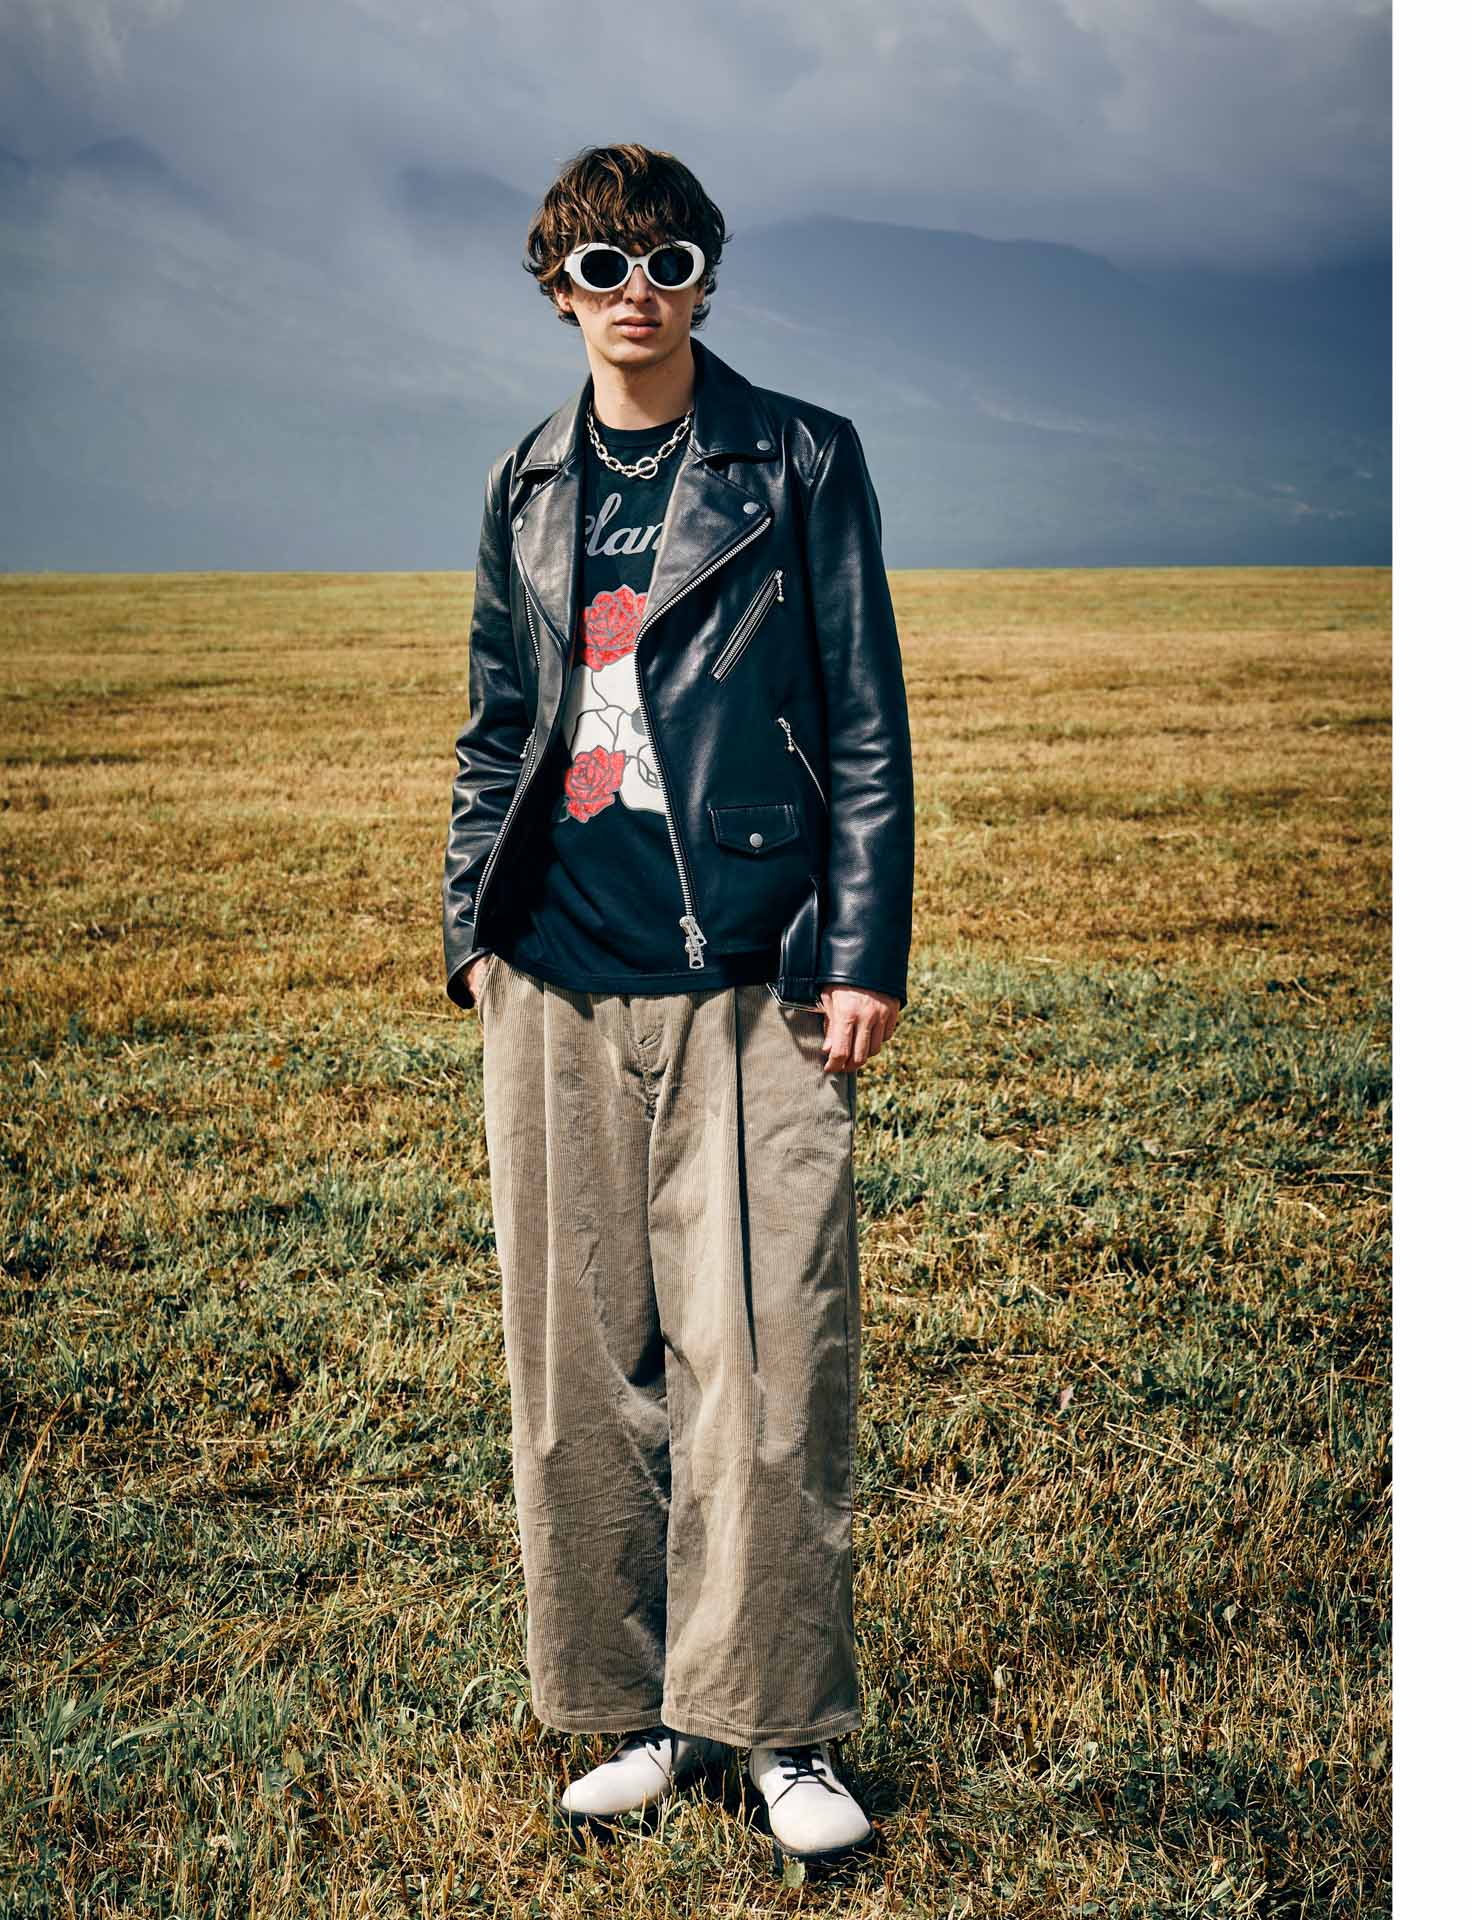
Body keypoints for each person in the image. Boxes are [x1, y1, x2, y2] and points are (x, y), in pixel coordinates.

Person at [441, 142, 914, 1874]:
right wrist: (472, 929)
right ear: (555, 286)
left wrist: (862, 947)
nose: (635, 292)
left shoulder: (799, 457)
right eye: (601, 265)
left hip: (754, 974)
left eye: (667, 260)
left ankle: (780, 1730)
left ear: (707, 278)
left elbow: (862, 714)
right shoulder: (525, 481)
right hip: (556, 974)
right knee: (581, 1375)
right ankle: (642, 1712)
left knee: (770, 1362)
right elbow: (499, 724)